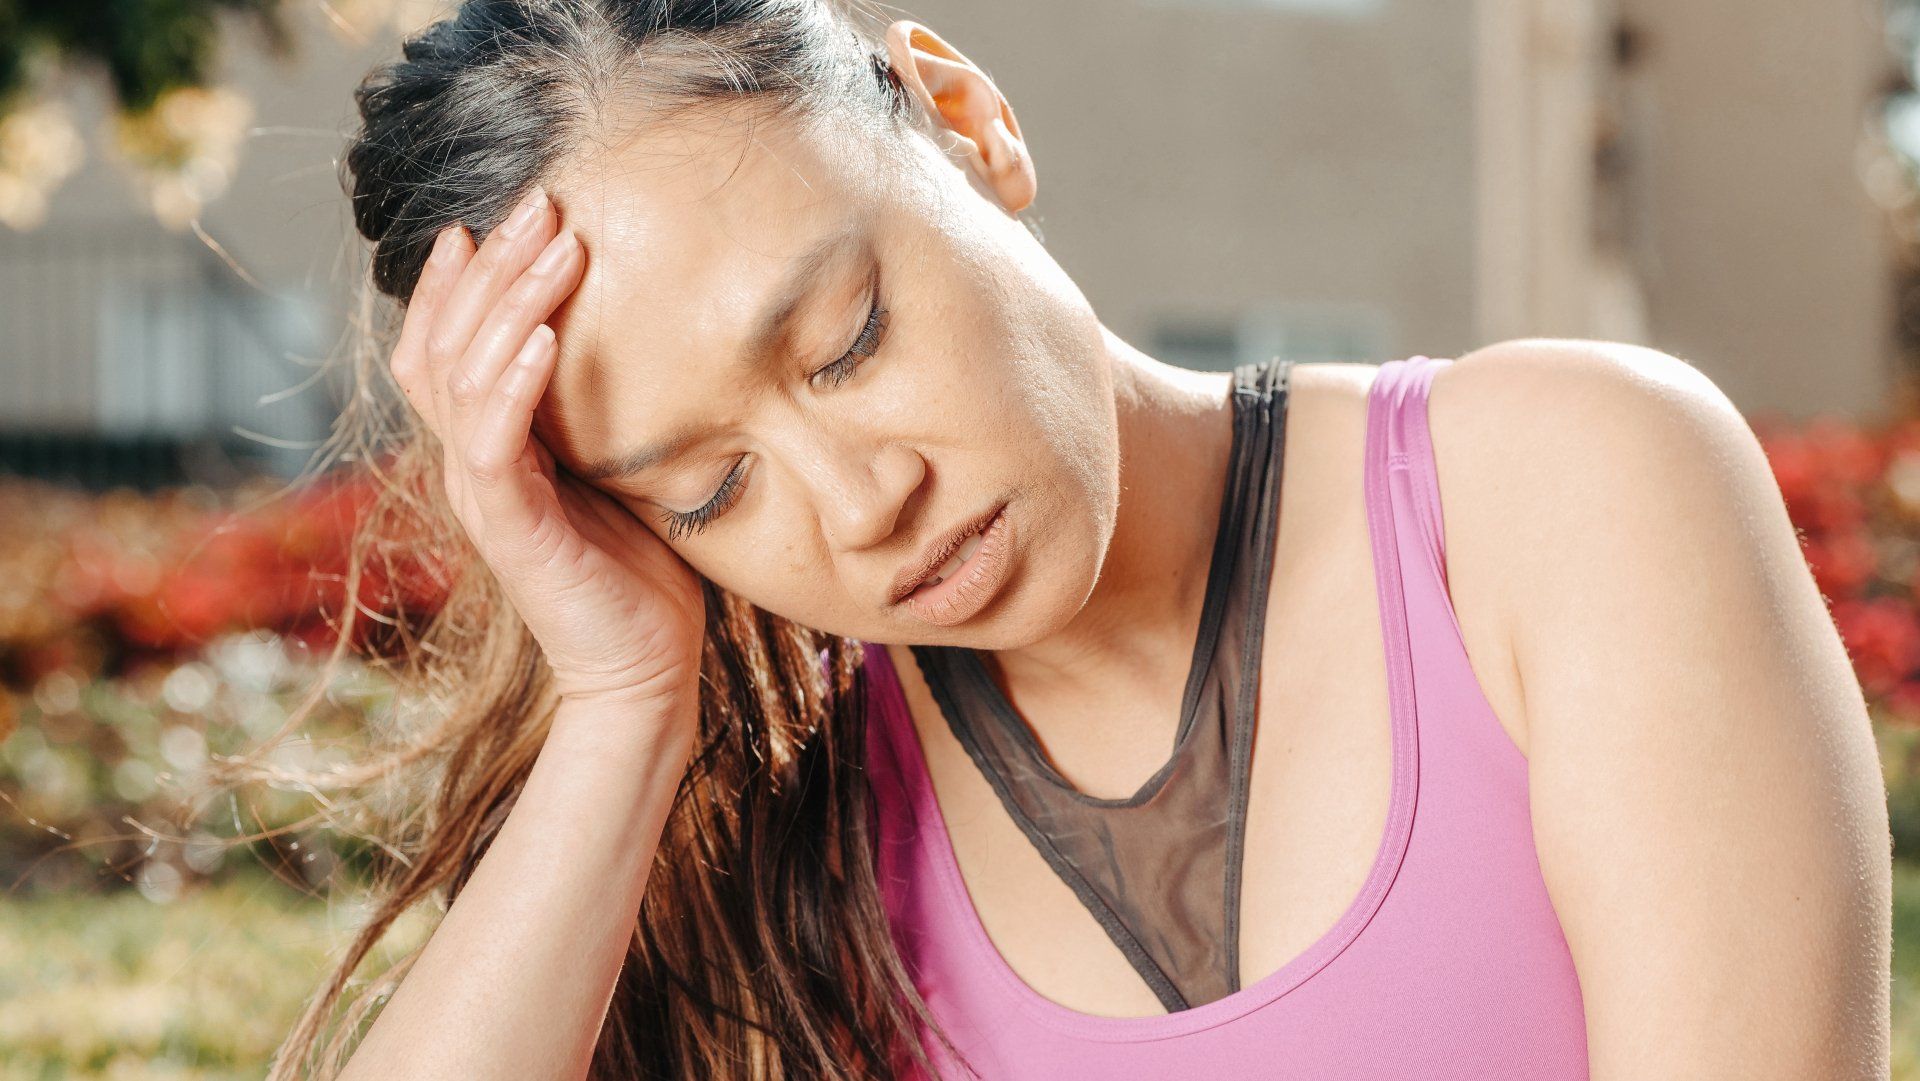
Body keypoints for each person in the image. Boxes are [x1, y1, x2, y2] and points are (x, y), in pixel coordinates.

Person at [272, 1, 1892, 1078]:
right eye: (706, 491)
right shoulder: (798, 800)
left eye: (847, 341)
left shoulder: (1566, 490)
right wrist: (626, 712)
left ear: (972, 123)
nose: (859, 503)